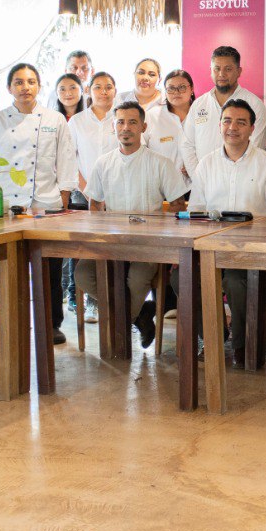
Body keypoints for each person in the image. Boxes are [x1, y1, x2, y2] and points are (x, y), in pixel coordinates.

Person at [74, 101, 189, 349]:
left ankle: (120, 333)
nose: (126, 128)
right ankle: (140, 314)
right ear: (113, 127)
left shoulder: (160, 163)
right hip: (110, 242)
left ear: (143, 127)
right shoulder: (103, 163)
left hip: (147, 245)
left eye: (133, 122)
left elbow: (178, 205)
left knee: (137, 280)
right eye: (120, 122)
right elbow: (95, 203)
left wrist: (165, 237)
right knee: (83, 273)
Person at [0, 63, 78, 345]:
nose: (26, 87)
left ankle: (51, 324)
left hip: (46, 203)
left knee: (49, 268)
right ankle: (8, 323)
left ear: (39, 85)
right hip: (7, 204)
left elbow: (66, 158)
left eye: (31, 81)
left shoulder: (54, 118)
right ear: (9, 87)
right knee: (6, 268)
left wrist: (63, 197)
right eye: (19, 82)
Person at [187, 99, 266, 363]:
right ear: (219, 125)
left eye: (241, 122)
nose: (233, 127)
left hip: (252, 249)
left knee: (235, 281)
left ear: (252, 128)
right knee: (183, 278)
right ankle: (214, 337)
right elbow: (195, 210)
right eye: (227, 121)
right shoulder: (206, 164)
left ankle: (243, 344)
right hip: (210, 246)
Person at [66, 70, 118, 321]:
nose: (103, 91)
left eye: (108, 87)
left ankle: (109, 302)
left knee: (111, 250)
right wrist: (90, 192)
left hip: (116, 195)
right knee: (84, 249)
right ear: (88, 91)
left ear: (115, 90)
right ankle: (83, 300)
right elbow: (70, 158)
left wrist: (107, 195)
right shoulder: (77, 121)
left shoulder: (121, 118)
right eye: (98, 87)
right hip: (83, 194)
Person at [180, 46, 266, 177]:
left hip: (241, 181)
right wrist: (198, 178)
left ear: (239, 71)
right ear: (211, 70)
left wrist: (233, 181)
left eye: (228, 69)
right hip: (203, 181)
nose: (221, 74)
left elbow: (256, 149)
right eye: (217, 68)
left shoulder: (254, 105)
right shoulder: (199, 104)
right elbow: (187, 145)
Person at [146, 68, 194, 182]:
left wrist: (194, 166)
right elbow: (140, 150)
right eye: (171, 88)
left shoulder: (201, 114)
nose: (176, 92)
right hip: (161, 184)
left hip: (196, 184)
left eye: (182, 87)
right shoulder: (152, 116)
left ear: (192, 89)